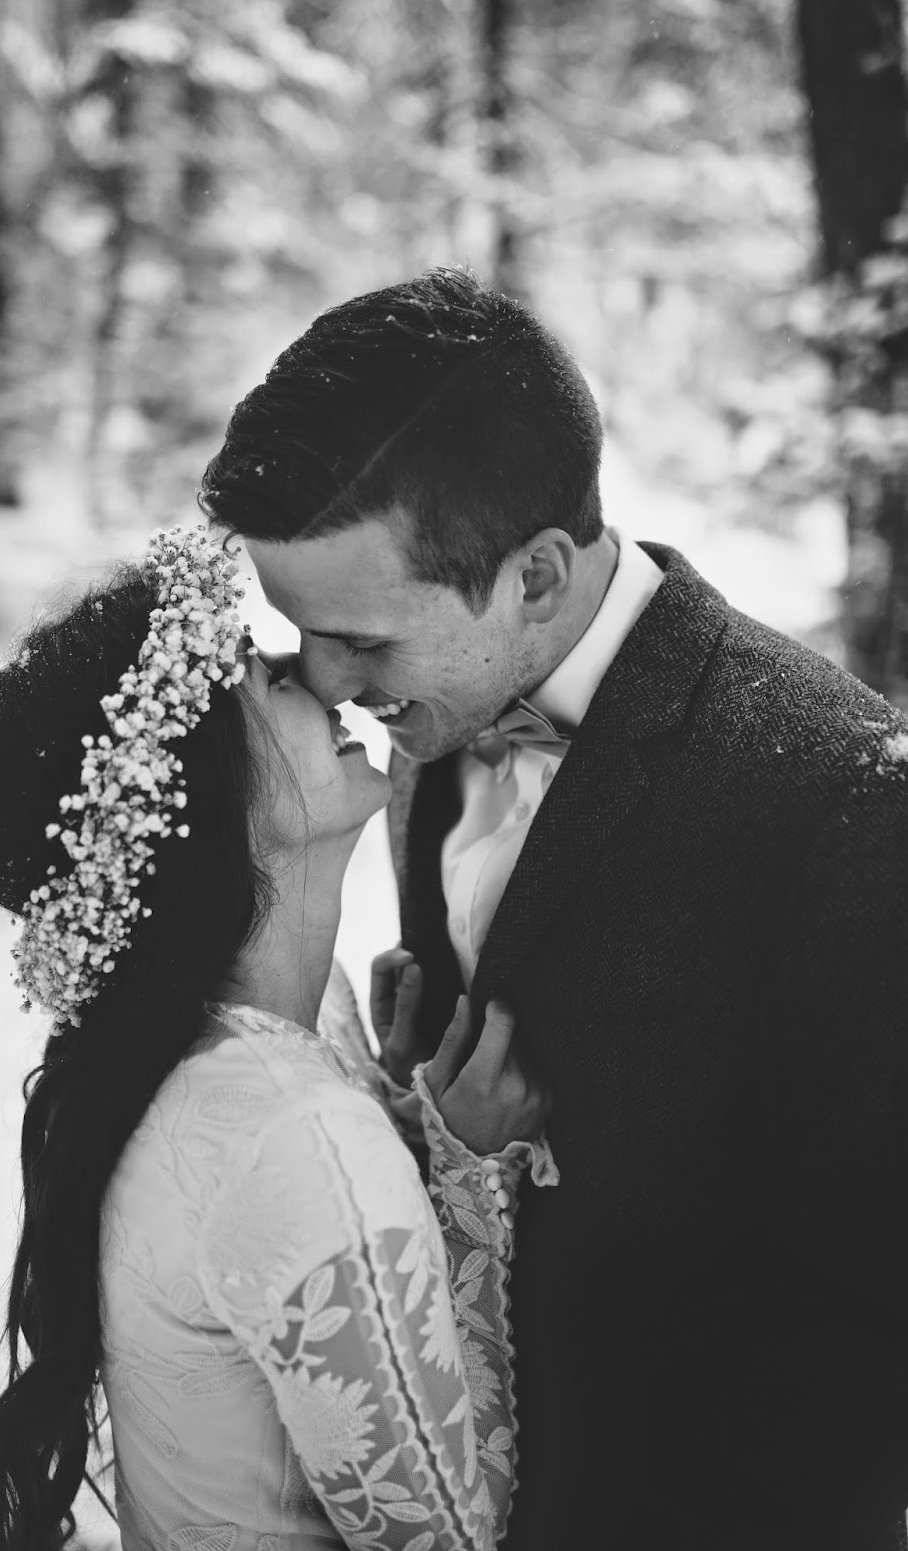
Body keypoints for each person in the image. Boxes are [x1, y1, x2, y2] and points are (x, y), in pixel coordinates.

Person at [202, 267, 908, 1551]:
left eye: (364, 640)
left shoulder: (840, 804)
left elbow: (869, 1319)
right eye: (304, 630)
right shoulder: (429, 721)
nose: (325, 682)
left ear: (533, 577)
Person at [0, 527, 557, 1551]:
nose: (313, 677)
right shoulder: (294, 1131)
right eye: (263, 678)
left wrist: (397, 1112)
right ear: (198, 796)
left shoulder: (209, 1057)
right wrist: (470, 1183)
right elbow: (452, 1537)